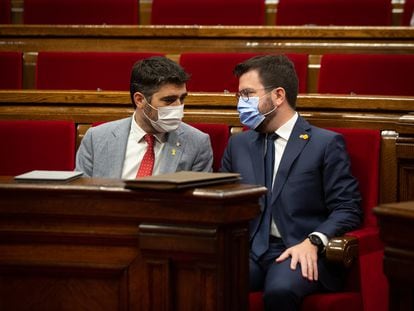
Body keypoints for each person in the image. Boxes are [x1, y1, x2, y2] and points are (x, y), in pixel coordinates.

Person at [220, 54, 362, 310]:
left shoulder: (325, 143)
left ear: (278, 96)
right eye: (239, 96)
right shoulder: (238, 144)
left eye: (248, 94)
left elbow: (347, 208)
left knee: (281, 290)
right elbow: (223, 201)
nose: (241, 103)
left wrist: (314, 241)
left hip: (298, 246)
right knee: (210, 279)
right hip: (249, 250)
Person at [76, 56, 213, 177]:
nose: (178, 107)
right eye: (168, 100)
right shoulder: (96, 138)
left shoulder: (197, 144)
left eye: (182, 98)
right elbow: (80, 196)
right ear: (140, 100)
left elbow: (197, 204)